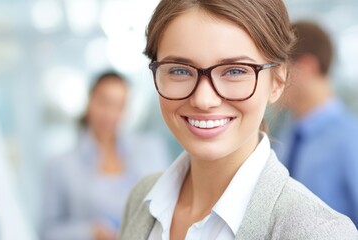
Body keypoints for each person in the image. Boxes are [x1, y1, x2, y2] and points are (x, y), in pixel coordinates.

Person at [119, 0, 358, 239]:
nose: (204, 100)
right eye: (179, 70)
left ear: (277, 81)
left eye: (235, 71)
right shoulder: (142, 198)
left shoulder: (321, 231)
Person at [41, 71, 170, 240]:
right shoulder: (61, 165)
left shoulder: (150, 150)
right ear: (90, 102)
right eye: (104, 103)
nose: (110, 113)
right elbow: (46, 232)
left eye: (119, 105)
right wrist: (89, 232)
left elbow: (168, 206)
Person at [274, 21, 358, 225]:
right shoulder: (285, 138)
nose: (272, 79)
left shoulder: (351, 139)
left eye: (279, 68)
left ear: (307, 67)